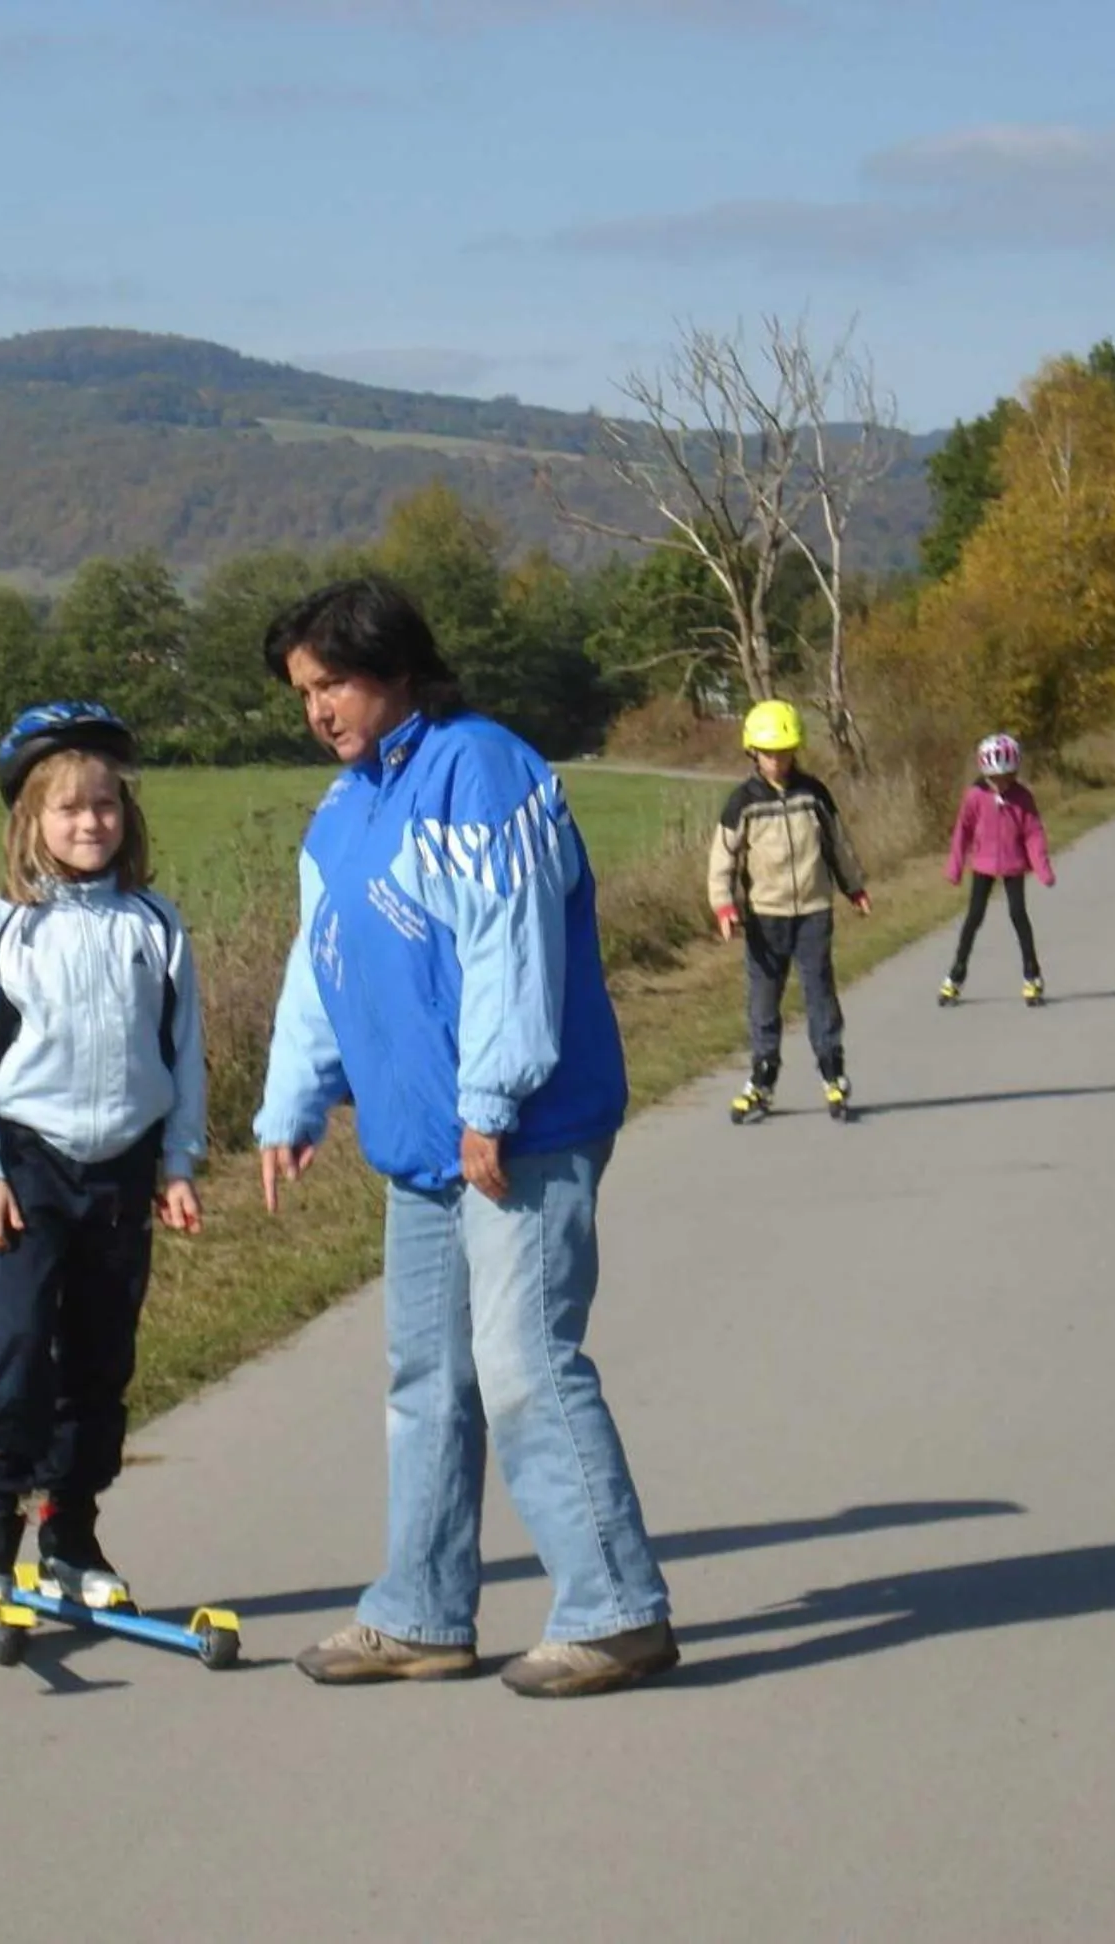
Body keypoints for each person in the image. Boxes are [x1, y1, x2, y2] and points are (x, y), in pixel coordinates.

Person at [253, 577, 677, 1700]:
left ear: (395, 669)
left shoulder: (480, 767)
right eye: (303, 692)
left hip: (521, 1130)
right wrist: (292, 1101)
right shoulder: (346, 809)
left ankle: (615, 1609)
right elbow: (320, 964)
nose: (318, 710)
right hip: (420, 1140)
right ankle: (422, 1613)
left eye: (332, 683)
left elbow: (512, 945)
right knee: (428, 1378)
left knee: (525, 1361)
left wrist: (492, 1100)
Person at [0, 701, 207, 1614]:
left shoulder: (155, 924)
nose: (91, 822)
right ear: (30, 822)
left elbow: (184, 1055)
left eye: (105, 805)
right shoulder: (3, 928)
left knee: (102, 1358)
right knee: (23, 1349)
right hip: (27, 1170)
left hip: (123, 1169)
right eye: (68, 809)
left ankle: (71, 1533)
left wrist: (178, 1162)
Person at [705, 700, 872, 1124]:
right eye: (769, 753)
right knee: (763, 1000)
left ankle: (833, 1072)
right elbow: (722, 860)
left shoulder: (813, 794)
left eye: (784, 752)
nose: (777, 762)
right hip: (765, 916)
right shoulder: (742, 802)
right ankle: (763, 1076)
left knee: (820, 993)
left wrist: (854, 887)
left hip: (814, 910)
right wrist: (724, 905)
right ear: (753, 753)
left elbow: (837, 844)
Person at [940, 731, 1056, 1007]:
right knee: (973, 918)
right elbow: (962, 832)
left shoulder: (1022, 797)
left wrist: (1042, 867)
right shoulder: (975, 797)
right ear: (986, 774)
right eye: (997, 779)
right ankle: (955, 976)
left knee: (1018, 916)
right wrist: (955, 867)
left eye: (1008, 777)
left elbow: (1033, 832)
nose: (1002, 784)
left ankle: (1032, 977)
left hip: (1013, 864)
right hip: (983, 863)